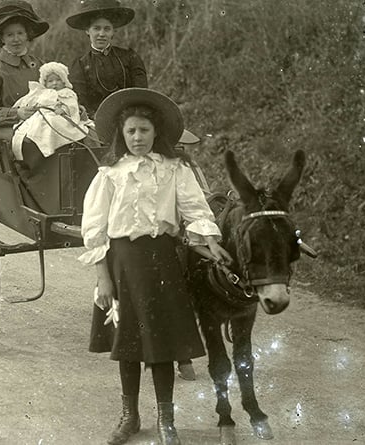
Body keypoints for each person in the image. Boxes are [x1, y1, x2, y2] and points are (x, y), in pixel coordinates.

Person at [79, 88, 232, 445]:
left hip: (162, 262)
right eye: (131, 131)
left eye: (144, 131)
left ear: (156, 133)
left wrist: (210, 241)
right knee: (128, 342)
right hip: (122, 263)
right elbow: (95, 229)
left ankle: (167, 420)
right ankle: (129, 416)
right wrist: (103, 277)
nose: (137, 138)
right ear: (122, 133)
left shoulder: (175, 171)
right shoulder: (109, 174)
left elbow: (195, 210)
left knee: (161, 343)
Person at [0, 1, 49, 134]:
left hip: (42, 125)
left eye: (20, 33)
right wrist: (16, 113)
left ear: (27, 35)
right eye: (10, 35)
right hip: (7, 129)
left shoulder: (41, 65)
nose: (16, 39)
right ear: (1, 38)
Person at [65, 0, 148, 118]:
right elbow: (81, 100)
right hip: (96, 120)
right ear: (88, 31)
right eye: (96, 28)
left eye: (107, 29)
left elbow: (141, 91)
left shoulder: (129, 57)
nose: (102, 34)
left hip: (130, 117)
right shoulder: (80, 64)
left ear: (113, 32)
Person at [11, 62, 89, 164]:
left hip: (59, 116)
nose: (54, 83)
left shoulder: (67, 93)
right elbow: (30, 101)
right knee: (33, 126)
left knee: (52, 123)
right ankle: (31, 140)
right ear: (45, 83)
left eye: (58, 80)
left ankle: (49, 147)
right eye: (50, 81)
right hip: (42, 115)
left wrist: (64, 109)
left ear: (64, 81)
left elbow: (72, 105)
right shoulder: (43, 93)